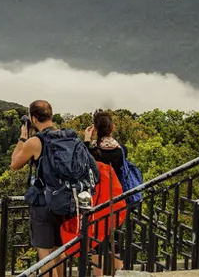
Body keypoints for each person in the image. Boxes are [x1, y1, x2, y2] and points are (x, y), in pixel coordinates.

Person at [11, 100, 65, 277]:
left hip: (43, 203)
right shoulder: (66, 136)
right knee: (59, 251)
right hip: (65, 200)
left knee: (45, 254)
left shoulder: (35, 141)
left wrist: (22, 138)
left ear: (33, 119)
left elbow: (15, 164)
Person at [84, 110, 126, 275]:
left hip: (97, 200)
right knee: (115, 240)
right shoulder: (121, 150)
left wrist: (87, 140)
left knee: (96, 241)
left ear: (95, 128)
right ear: (112, 128)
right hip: (117, 199)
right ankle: (120, 273)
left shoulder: (93, 152)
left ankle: (98, 275)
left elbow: (83, 161)